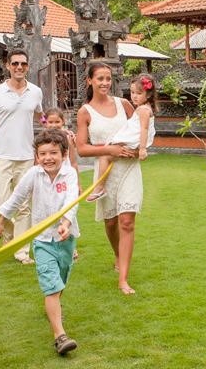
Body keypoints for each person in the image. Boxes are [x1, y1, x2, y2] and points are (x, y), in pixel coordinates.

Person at [0, 129, 80, 355]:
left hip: (65, 238)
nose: (48, 158)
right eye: (43, 154)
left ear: (63, 154)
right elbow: (17, 198)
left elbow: (72, 199)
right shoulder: (33, 174)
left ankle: (53, 309)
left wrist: (65, 223)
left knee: (59, 283)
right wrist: (1, 222)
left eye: (53, 153)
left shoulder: (69, 174)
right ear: (36, 156)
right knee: (51, 287)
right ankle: (60, 336)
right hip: (42, 240)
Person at [76, 62, 143, 295]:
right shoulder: (85, 112)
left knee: (126, 221)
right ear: (90, 81)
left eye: (108, 78)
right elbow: (82, 148)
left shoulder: (124, 104)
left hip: (129, 169)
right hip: (104, 171)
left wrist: (139, 150)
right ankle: (117, 253)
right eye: (100, 79)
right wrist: (109, 149)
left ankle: (123, 278)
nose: (105, 83)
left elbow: (141, 131)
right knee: (112, 222)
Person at [0, 49, 43, 264]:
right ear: (7, 66)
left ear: (28, 67)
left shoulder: (35, 92)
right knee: (0, 202)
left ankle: (21, 251)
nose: (19, 68)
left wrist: (56, 131)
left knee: (24, 206)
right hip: (0, 156)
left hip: (26, 156)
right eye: (15, 63)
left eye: (23, 64)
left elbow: (41, 117)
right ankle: (13, 238)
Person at [87, 74, 157, 202]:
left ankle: (100, 187)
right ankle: (101, 187)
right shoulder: (143, 108)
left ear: (148, 95)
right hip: (133, 139)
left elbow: (144, 129)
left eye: (139, 93)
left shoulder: (143, 110)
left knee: (105, 156)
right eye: (132, 92)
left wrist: (142, 149)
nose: (134, 96)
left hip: (133, 140)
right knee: (107, 154)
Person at [43, 107, 81, 261]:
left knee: (68, 210)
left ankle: (71, 246)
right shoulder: (42, 139)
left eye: (57, 121)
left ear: (63, 122)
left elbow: (73, 162)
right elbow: (37, 162)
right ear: (46, 123)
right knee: (50, 212)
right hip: (48, 181)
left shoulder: (68, 138)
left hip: (65, 180)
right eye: (50, 122)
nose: (54, 125)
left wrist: (77, 183)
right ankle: (50, 245)